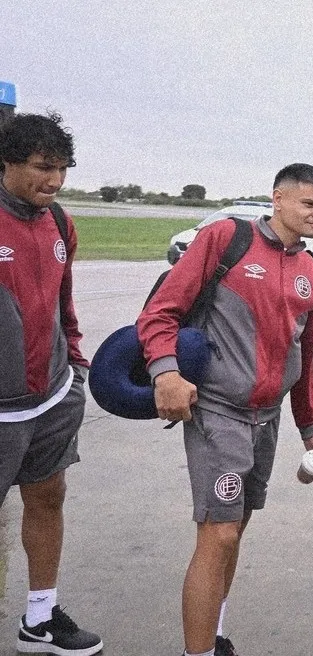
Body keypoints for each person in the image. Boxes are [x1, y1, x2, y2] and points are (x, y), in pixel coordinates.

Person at [136, 163, 313, 656]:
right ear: (278, 200)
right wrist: (165, 371)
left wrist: (311, 426)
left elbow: (303, 358)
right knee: (218, 533)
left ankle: (214, 635)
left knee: (236, 527)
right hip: (217, 410)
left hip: (268, 419)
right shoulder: (227, 238)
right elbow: (161, 311)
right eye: (309, 204)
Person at [0, 112, 104, 656]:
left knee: (47, 498)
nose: (55, 180)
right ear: (7, 163)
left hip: (53, 396)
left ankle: (39, 619)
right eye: (43, 168)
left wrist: (78, 369)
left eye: (62, 169)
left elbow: (64, 305)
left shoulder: (60, 223)